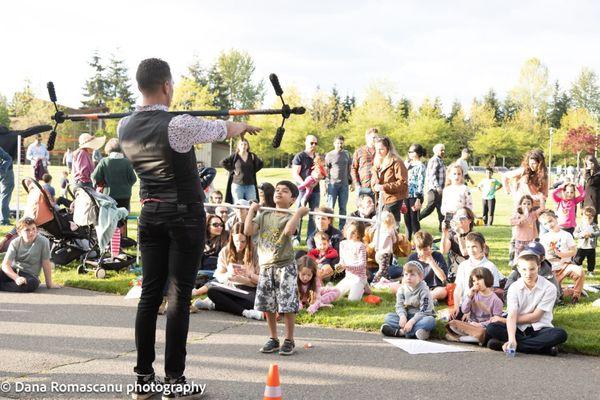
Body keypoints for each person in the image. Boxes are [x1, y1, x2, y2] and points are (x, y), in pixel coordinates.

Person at [118, 58, 260, 398]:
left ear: (140, 86)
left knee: (150, 294)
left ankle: (142, 378)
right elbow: (221, 130)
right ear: (167, 85)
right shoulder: (178, 124)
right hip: (183, 216)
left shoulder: (124, 126)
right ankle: (174, 380)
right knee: (179, 296)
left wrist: (232, 125)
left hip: (149, 215)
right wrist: (240, 126)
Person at [245, 181, 307, 356]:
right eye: (277, 190)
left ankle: (289, 339)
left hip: (285, 266)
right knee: (268, 305)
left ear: (293, 199)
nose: (279, 193)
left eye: (285, 191)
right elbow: (248, 230)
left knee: (287, 305)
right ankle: (273, 338)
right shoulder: (265, 215)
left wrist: (299, 213)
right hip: (266, 266)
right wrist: (252, 210)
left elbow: (288, 231)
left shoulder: (290, 216)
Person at [485, 251, 568, 356]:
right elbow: (512, 315)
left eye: (532, 269)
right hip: (517, 328)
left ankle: (511, 346)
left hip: (540, 328)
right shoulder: (514, 288)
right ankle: (543, 349)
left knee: (560, 334)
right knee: (492, 328)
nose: (528, 273)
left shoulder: (549, 288)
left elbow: (535, 317)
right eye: (524, 269)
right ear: (518, 269)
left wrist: (504, 320)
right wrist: (511, 339)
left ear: (539, 267)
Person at [194, 223, 263, 320]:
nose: (240, 245)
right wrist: (228, 274)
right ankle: (245, 312)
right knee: (212, 291)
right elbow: (218, 276)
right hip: (231, 288)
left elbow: (263, 281)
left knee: (255, 303)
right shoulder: (225, 251)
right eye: (237, 241)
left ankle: (214, 305)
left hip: (250, 289)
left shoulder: (256, 251)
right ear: (232, 239)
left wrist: (249, 275)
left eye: (243, 241)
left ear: (248, 240)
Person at [451, 232, 504, 319]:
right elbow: (458, 288)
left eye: (474, 247)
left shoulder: (490, 266)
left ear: (482, 247)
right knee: (453, 320)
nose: (471, 250)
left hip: (482, 308)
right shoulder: (463, 265)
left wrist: (471, 310)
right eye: (468, 247)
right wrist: (456, 306)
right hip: (465, 304)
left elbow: (492, 290)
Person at [91, 138, 137, 236]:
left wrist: (102, 182)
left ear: (108, 149)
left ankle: (111, 242)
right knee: (123, 218)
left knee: (110, 219)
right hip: (125, 195)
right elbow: (133, 179)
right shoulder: (127, 162)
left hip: (108, 196)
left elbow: (94, 177)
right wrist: (126, 186)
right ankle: (123, 241)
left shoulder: (104, 161)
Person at [0, 217, 60, 292]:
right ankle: (11, 285)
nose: (32, 232)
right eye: (27, 230)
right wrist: (16, 278)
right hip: (13, 272)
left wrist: (49, 284)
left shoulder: (43, 241)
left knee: (32, 284)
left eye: (33, 229)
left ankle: (3, 286)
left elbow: (46, 263)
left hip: (30, 275)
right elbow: (5, 265)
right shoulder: (15, 242)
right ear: (19, 232)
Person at [446, 267, 503, 345]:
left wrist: (481, 324)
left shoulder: (496, 300)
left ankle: (459, 338)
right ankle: (474, 338)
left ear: (487, 279)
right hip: (470, 325)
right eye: (474, 281)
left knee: (481, 332)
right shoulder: (473, 294)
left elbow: (496, 320)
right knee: (452, 323)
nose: (476, 283)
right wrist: (469, 296)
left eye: (479, 279)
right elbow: (464, 310)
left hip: (484, 328)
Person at [380, 260, 436, 340]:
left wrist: (412, 322)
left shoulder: (424, 290)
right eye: (406, 274)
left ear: (420, 277)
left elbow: (425, 310)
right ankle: (420, 332)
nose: (408, 277)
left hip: (421, 317)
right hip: (407, 316)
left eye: (412, 275)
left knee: (430, 321)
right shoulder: (402, 289)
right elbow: (399, 305)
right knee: (388, 317)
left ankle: (400, 332)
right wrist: (402, 316)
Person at [539, 210, 586, 303]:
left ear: (556, 219)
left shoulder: (566, 235)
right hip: (550, 269)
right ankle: (569, 290)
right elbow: (541, 254)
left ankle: (576, 295)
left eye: (550, 221)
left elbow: (574, 251)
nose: (549, 224)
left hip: (565, 265)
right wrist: (546, 257)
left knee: (579, 271)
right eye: (545, 223)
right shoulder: (544, 238)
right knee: (555, 295)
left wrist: (563, 255)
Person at [371, 136, 408, 223]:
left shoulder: (397, 161)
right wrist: (374, 186)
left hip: (393, 199)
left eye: (381, 149)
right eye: (376, 149)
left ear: (388, 148)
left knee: (388, 225)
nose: (378, 152)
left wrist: (384, 187)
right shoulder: (377, 162)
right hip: (381, 199)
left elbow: (403, 183)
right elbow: (374, 180)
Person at [291, 135, 321, 242]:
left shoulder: (317, 157)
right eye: (311, 143)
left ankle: (310, 237)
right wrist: (305, 184)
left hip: (315, 189)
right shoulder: (300, 156)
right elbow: (295, 173)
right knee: (299, 213)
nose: (313, 145)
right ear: (306, 143)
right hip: (302, 189)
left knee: (314, 215)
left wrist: (316, 182)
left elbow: (321, 173)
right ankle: (295, 237)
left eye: (315, 143)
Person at [406, 230, 448, 302]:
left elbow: (443, 278)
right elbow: (406, 277)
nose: (422, 252)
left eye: (425, 249)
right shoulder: (412, 257)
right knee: (395, 287)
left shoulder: (437, 256)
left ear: (431, 247)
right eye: (419, 249)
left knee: (442, 291)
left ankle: (421, 299)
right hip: (416, 287)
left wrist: (431, 262)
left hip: (434, 288)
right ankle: (423, 299)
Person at [221, 138, 264, 203]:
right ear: (238, 146)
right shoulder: (235, 156)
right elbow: (222, 162)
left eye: (245, 144)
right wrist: (232, 170)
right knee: (238, 206)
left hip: (250, 186)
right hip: (237, 185)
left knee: (253, 205)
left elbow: (261, 164)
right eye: (241, 144)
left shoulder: (252, 156)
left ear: (248, 146)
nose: (243, 146)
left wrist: (252, 172)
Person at [334, 221, 368, 301]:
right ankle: (356, 288)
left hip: (359, 278)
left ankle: (362, 287)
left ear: (359, 234)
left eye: (353, 233)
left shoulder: (360, 246)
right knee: (334, 296)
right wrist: (339, 266)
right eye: (349, 230)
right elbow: (342, 261)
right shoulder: (342, 244)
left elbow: (362, 265)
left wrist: (346, 266)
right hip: (348, 277)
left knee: (352, 300)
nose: (350, 234)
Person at [325, 135, 352, 231]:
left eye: (341, 143)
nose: (339, 145)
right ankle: (328, 228)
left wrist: (351, 182)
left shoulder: (347, 154)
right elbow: (326, 171)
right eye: (337, 143)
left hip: (344, 185)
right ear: (334, 143)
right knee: (330, 208)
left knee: (343, 208)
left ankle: (342, 229)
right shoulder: (329, 155)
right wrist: (326, 185)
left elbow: (350, 169)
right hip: (332, 185)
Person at [441, 207, 476, 274]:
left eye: (462, 217)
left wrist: (458, 234)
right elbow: (443, 251)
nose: (459, 219)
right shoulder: (451, 235)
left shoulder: (475, 236)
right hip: (454, 274)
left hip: (471, 273)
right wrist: (444, 233)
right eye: (457, 217)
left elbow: (465, 253)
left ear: (470, 220)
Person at [509, 195, 544, 263]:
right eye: (524, 203)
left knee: (529, 255)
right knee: (519, 255)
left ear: (532, 205)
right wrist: (521, 219)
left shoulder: (533, 214)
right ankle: (517, 266)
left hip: (530, 240)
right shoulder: (517, 214)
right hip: (519, 240)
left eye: (528, 204)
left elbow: (542, 209)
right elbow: (512, 222)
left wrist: (541, 199)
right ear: (520, 205)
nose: (526, 205)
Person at [419, 143, 446, 230]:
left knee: (441, 208)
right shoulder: (434, 160)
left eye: (443, 150)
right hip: (434, 189)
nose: (443, 151)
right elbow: (432, 175)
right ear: (436, 151)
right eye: (441, 150)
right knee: (430, 207)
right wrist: (437, 187)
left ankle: (442, 228)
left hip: (440, 189)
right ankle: (416, 219)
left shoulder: (440, 160)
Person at [404, 143, 426, 240]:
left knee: (414, 220)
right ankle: (407, 242)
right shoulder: (408, 164)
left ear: (417, 153)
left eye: (411, 151)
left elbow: (421, 182)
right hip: (406, 195)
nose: (408, 153)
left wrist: (419, 198)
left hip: (415, 196)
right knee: (406, 219)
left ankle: (419, 242)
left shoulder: (421, 166)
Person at [369, 210, 398, 283]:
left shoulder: (378, 230)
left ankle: (387, 280)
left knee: (385, 268)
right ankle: (374, 281)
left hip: (378, 253)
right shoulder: (391, 230)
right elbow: (394, 240)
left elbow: (374, 242)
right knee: (382, 269)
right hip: (385, 253)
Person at [351, 127, 379, 200]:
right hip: (364, 186)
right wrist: (356, 184)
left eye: (377, 137)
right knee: (364, 209)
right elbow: (353, 168)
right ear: (367, 137)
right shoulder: (359, 151)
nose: (376, 139)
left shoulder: (381, 151)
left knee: (378, 210)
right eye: (373, 137)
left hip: (378, 186)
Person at [573, 206, 600, 277]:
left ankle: (590, 271)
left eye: (590, 218)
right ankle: (577, 269)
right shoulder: (580, 225)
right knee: (578, 259)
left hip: (591, 247)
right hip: (582, 247)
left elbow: (598, 232)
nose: (588, 220)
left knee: (591, 260)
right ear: (582, 217)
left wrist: (591, 234)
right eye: (585, 218)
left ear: (593, 218)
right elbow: (575, 234)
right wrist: (582, 235)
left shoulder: (594, 225)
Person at [583, 154, 600, 223]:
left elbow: (590, 182)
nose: (590, 165)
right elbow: (585, 188)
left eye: (591, 163)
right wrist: (582, 203)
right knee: (586, 220)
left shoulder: (598, 173)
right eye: (588, 164)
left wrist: (587, 171)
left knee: (593, 220)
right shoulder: (588, 173)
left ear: (594, 162)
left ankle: (594, 233)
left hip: (594, 200)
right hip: (587, 199)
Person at [0, 146, 14, 225]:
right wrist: (2, 170)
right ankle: (4, 220)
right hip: (5, 172)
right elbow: (8, 158)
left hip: (4, 172)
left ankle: (4, 219)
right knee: (5, 194)